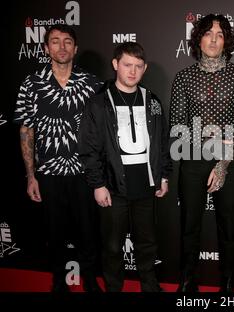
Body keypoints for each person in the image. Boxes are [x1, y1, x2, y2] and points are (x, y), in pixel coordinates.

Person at [14, 24, 102, 292]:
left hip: (85, 172)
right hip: (49, 173)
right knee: (54, 233)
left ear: (75, 48)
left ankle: (89, 277)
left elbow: (102, 130)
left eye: (67, 42)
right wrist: (31, 175)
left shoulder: (92, 83)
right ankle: (58, 279)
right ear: (45, 48)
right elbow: (26, 129)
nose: (61, 47)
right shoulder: (32, 84)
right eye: (55, 41)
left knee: (89, 231)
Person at [78, 42, 171, 292]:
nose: (132, 71)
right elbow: (89, 148)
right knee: (112, 245)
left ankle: (150, 285)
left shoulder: (151, 100)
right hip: (113, 185)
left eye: (138, 66)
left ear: (145, 68)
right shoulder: (99, 103)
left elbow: (162, 141)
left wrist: (163, 174)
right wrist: (98, 183)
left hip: (145, 184)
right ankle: (114, 288)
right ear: (115, 65)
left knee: (147, 243)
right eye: (127, 65)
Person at [169, 14, 234, 292]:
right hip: (192, 160)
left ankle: (228, 283)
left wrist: (222, 165)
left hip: (229, 160)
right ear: (198, 39)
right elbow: (178, 126)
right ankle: (187, 281)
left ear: (226, 40)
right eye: (207, 33)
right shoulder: (183, 77)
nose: (213, 39)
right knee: (189, 225)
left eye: (219, 34)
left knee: (228, 227)